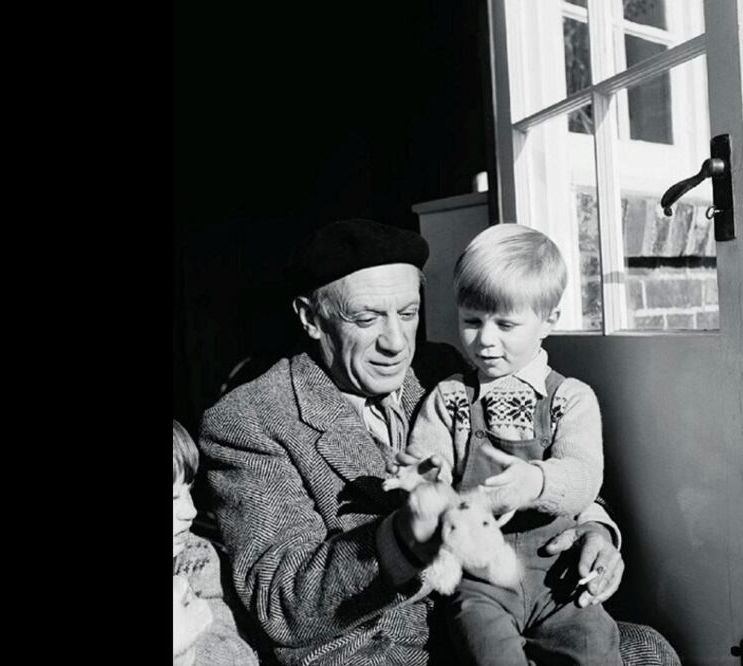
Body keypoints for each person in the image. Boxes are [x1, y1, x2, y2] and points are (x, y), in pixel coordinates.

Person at [198, 218, 678, 665]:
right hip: (384, 648)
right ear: (311, 318)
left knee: (648, 649)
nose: (396, 343)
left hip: (511, 608)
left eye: (408, 313)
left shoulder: (441, 369)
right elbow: (281, 603)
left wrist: (595, 529)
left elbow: (544, 457)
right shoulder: (249, 419)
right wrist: (403, 538)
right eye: (366, 319)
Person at [395, 224, 621, 665]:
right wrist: (425, 478)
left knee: (596, 647)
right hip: (480, 578)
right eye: (472, 321)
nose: (485, 339)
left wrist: (535, 482)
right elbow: (428, 463)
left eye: (505, 324)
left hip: (558, 578)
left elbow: (583, 476)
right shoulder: (449, 397)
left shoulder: (570, 398)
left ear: (548, 320)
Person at [173, 419, 259, 665]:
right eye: (173, 497)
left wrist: (187, 654)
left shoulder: (194, 558)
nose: (190, 511)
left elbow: (238, 655)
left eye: (188, 490)